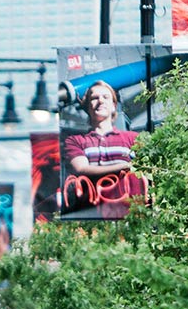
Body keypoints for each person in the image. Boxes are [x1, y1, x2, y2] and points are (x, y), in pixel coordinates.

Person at [62, 81, 147, 220]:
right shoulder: (75, 141)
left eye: (105, 97)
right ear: (88, 106)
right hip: (91, 215)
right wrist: (125, 166)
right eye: (94, 98)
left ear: (114, 106)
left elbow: (148, 169)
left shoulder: (134, 139)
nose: (100, 101)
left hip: (129, 214)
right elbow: (81, 168)